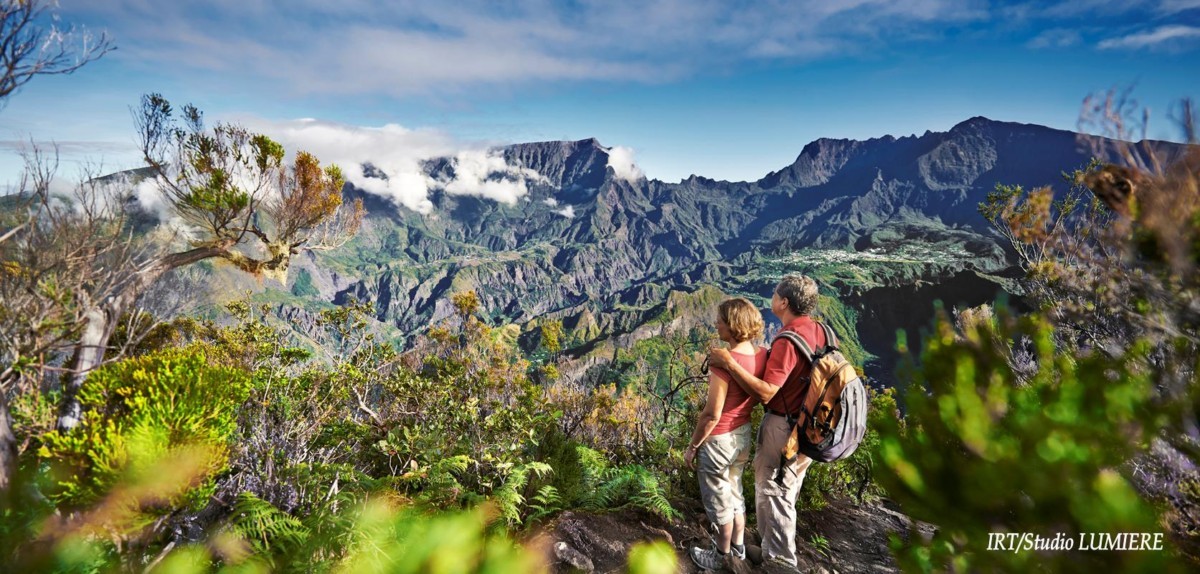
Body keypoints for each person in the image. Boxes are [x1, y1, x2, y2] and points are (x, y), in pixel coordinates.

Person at [707, 275, 826, 567]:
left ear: (784, 302)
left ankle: (782, 564)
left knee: (774, 494)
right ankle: (773, 552)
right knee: (786, 491)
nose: (771, 297)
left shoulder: (787, 340)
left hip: (785, 427)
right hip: (811, 425)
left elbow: (766, 392)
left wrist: (729, 363)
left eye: (775, 294)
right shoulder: (820, 330)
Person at [684, 298, 767, 571]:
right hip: (742, 435)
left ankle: (720, 556)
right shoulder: (761, 355)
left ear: (732, 326)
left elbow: (711, 413)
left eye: (720, 320)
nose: (716, 323)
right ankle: (739, 548)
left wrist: (693, 446)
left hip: (718, 439)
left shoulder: (723, 362)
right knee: (735, 493)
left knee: (719, 502)